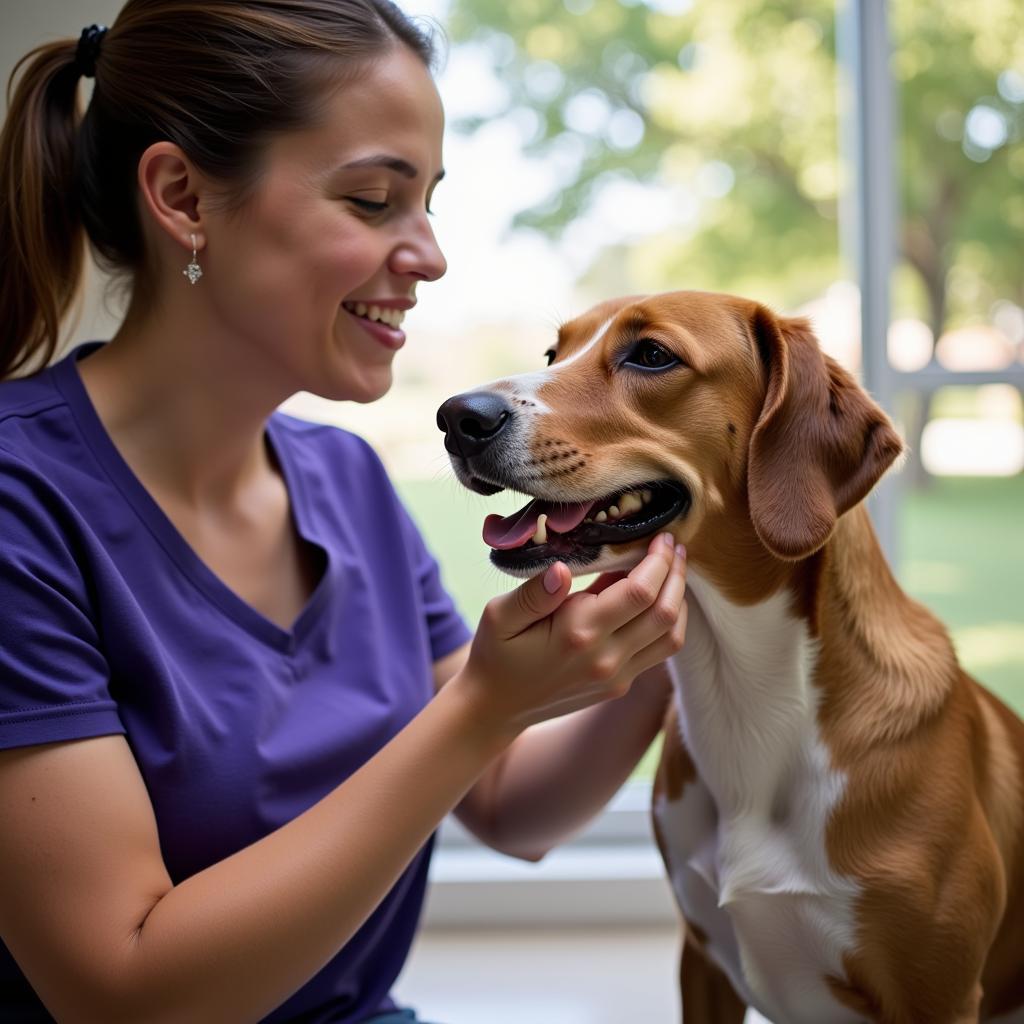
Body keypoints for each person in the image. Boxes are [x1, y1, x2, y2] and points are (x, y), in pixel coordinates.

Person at [0, 2, 688, 1021]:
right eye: (373, 200)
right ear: (182, 195)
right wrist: (482, 705)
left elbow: (511, 806)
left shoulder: (346, 482)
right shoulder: (22, 505)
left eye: (428, 203)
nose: (430, 255)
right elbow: (123, 992)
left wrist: (655, 638)